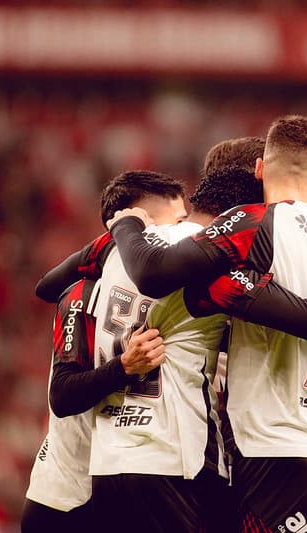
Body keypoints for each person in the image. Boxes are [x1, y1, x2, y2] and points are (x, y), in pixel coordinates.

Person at [38, 147, 307, 531]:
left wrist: (123, 226)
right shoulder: (209, 264)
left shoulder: (114, 254)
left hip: (97, 471)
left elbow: (46, 286)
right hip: (180, 462)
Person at [21, 170, 187, 533]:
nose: (182, 233)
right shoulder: (83, 293)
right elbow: (62, 396)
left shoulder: (170, 290)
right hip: (66, 498)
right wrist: (124, 367)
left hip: (117, 485)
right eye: (176, 222)